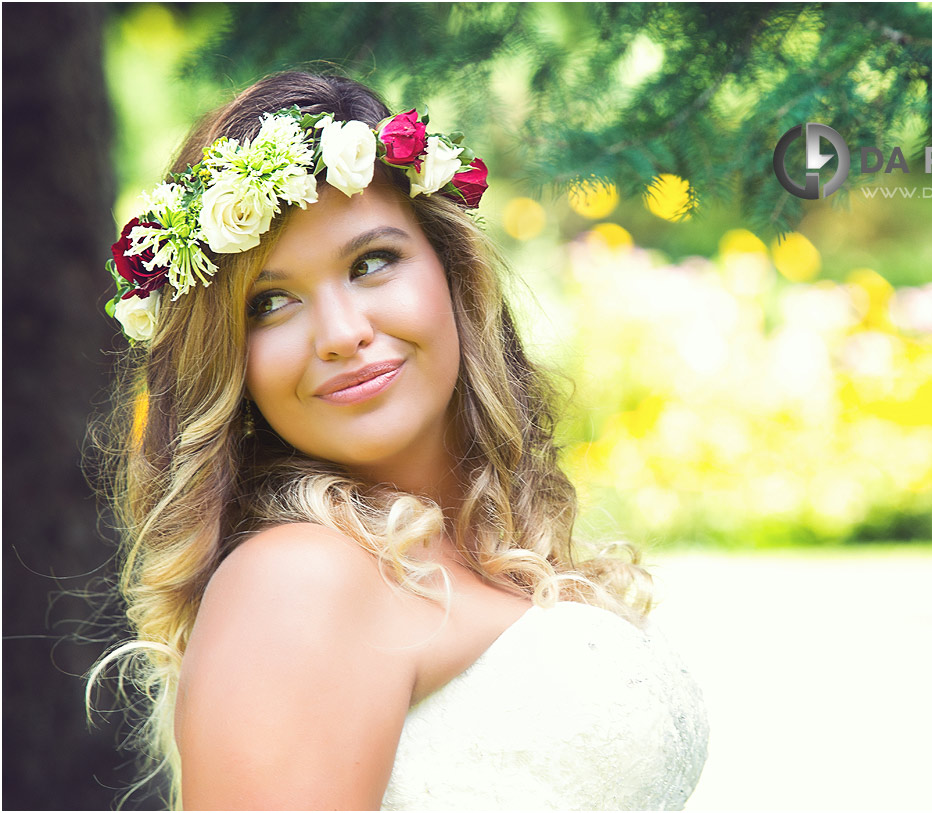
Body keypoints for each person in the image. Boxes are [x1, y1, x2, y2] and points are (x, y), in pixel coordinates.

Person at [88, 71, 708, 810]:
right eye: (271, 302)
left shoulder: (487, 550)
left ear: (452, 270)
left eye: (370, 262)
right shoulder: (299, 580)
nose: (344, 333)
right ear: (229, 359)